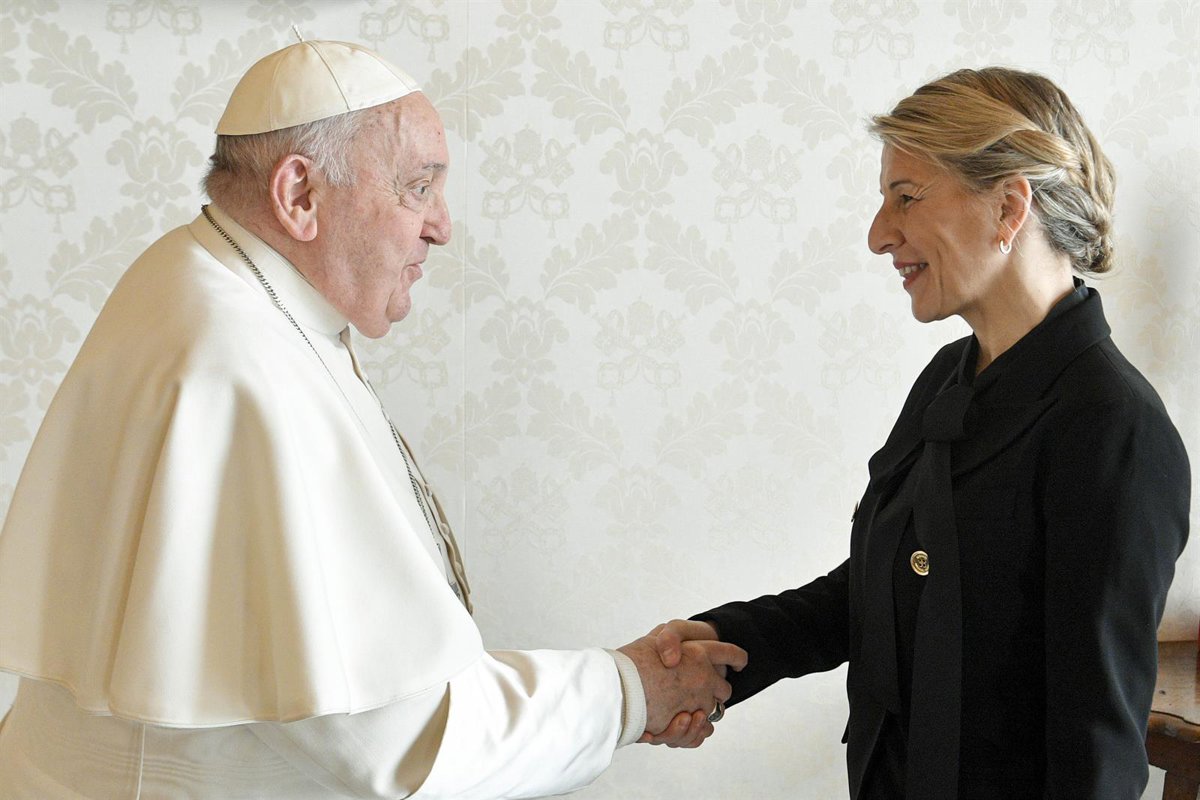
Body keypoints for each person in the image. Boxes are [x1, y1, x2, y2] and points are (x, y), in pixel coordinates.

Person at [0, 39, 745, 798]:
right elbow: (395, 740)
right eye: (418, 188)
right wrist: (629, 691)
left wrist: (621, 685)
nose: (442, 226)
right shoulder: (239, 366)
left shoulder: (209, 281)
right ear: (299, 195)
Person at [647, 66, 1191, 798]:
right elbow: (881, 590)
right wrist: (722, 646)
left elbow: (1094, 754)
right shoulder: (947, 379)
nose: (879, 235)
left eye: (906, 197)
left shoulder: (1115, 430)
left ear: (1008, 207)